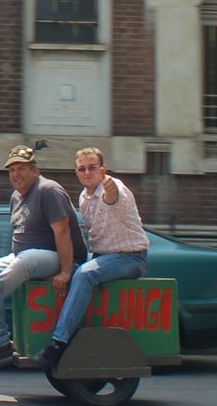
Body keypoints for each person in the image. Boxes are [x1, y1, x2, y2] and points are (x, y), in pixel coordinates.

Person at [0, 143, 79, 368]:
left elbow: (63, 232)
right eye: (12, 170)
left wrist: (65, 271)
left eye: (22, 168)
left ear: (35, 170)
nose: (16, 174)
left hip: (55, 258)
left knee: (26, 260)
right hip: (26, 257)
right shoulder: (16, 196)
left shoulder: (49, 190)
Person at [39, 146, 149, 369]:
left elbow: (111, 197)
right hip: (104, 256)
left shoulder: (114, 186)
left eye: (92, 168)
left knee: (85, 274)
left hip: (131, 258)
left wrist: (109, 188)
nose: (87, 173)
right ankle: (78, 332)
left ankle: (58, 343)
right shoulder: (83, 197)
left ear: (103, 169)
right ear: (76, 172)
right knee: (69, 271)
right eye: (82, 169)